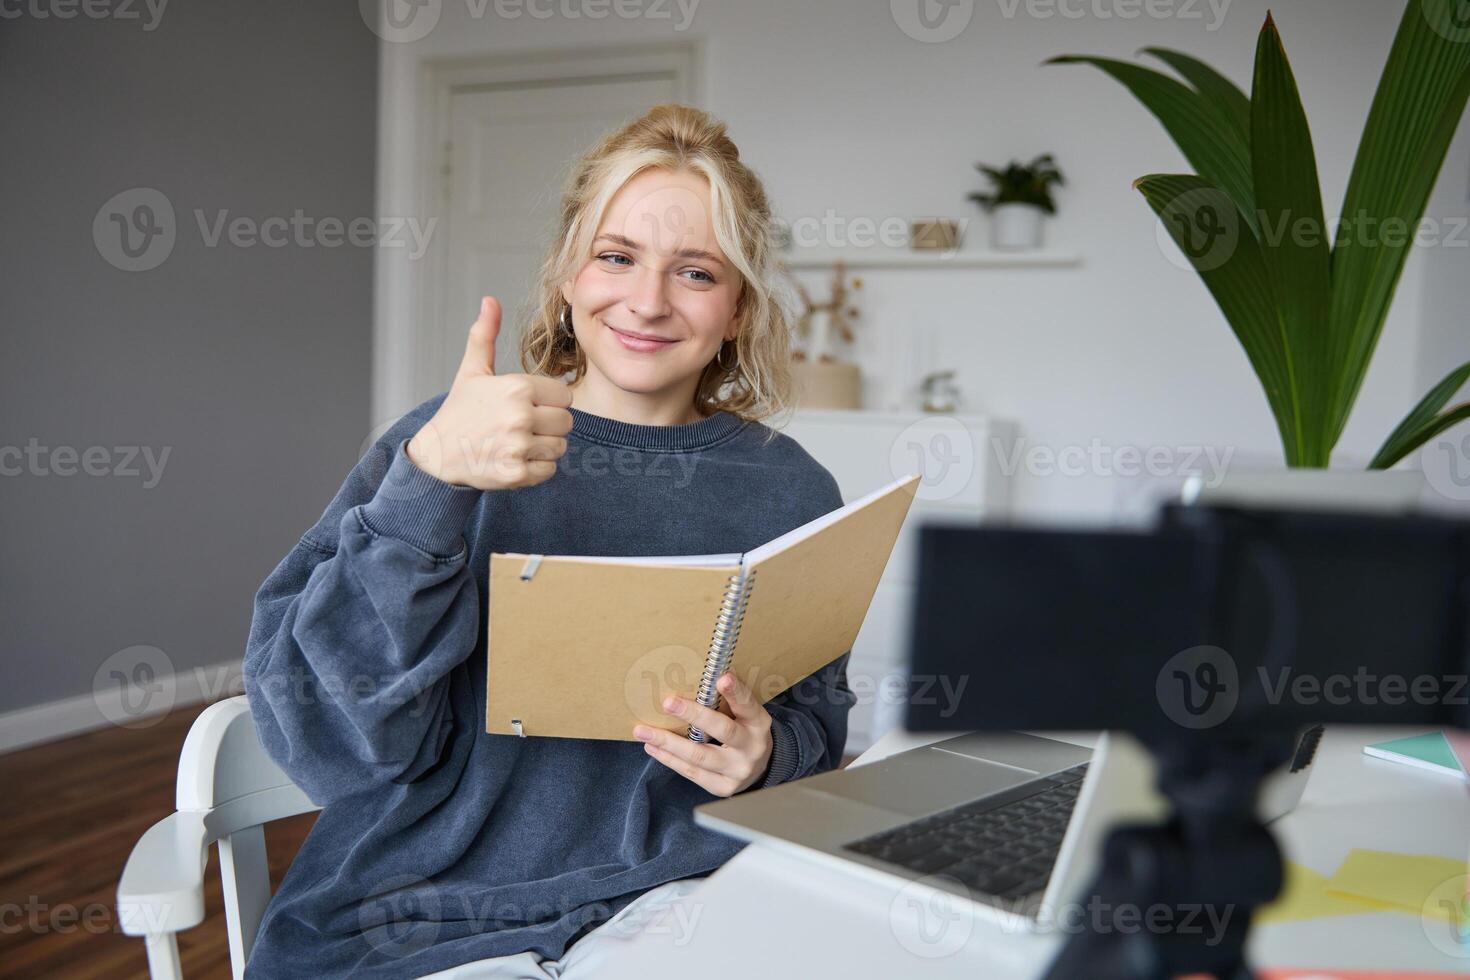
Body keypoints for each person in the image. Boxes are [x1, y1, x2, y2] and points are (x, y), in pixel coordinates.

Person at [241, 104, 855, 979]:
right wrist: (430, 482)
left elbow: (813, 720)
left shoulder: (791, 486)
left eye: (695, 272)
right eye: (616, 257)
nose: (647, 300)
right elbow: (330, 739)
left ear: (739, 308)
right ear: (568, 274)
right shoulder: (445, 442)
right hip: (424, 911)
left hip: (679, 900)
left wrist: (768, 755)